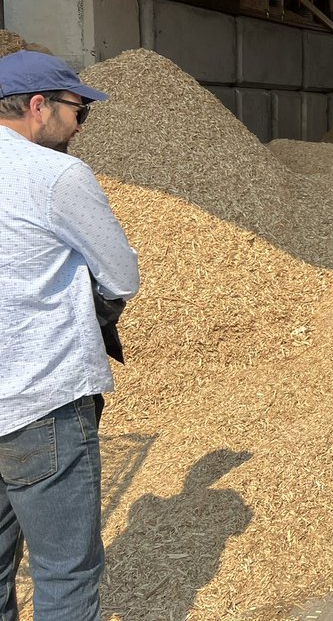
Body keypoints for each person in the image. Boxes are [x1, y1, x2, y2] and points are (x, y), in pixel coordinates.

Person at [0, 50, 140, 621]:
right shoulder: (55, 175)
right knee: (66, 575)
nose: (80, 125)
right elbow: (121, 274)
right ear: (39, 107)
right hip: (41, 400)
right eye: (78, 111)